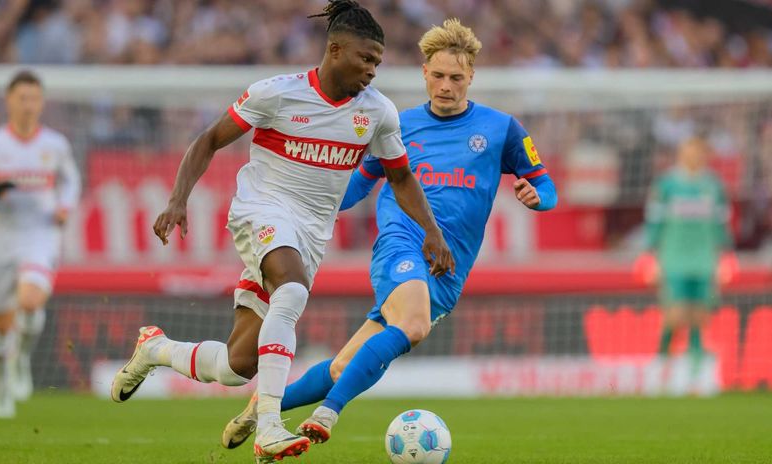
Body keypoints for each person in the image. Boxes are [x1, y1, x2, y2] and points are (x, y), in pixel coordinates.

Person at [109, 1, 453, 462]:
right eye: (366, 58)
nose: (373, 70)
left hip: (310, 234)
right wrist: (177, 199)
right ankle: (269, 427)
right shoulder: (277, 93)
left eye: (378, 62)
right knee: (291, 291)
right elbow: (209, 140)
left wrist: (431, 231)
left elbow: (401, 176)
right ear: (335, 50)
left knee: (236, 366)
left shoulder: (377, 112)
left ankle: (155, 349)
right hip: (262, 211)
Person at [221, 18, 558, 447]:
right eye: (438, 76)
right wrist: (303, 203)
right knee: (413, 325)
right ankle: (327, 414)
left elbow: (545, 184)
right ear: (424, 73)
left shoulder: (501, 129)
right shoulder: (397, 123)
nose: (446, 86)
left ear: (471, 76)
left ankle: (263, 407)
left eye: (456, 78)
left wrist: (537, 197)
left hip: (449, 267)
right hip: (402, 241)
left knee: (343, 367)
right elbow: (357, 184)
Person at [0, 70, 81, 419]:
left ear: (41, 103)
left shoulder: (55, 145)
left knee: (29, 300)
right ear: (9, 101)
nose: (29, 105)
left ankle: (22, 357)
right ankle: (2, 383)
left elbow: (71, 180)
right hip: (1, 237)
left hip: (40, 233)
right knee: (0, 324)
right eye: (23, 98)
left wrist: (64, 206)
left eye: (35, 99)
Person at [635, 136, 737, 367]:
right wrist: (649, 254)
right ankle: (664, 350)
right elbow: (654, 221)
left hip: (704, 258)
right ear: (681, 154)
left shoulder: (714, 186)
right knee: (676, 310)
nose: (695, 156)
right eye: (690, 151)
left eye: (700, 152)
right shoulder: (666, 185)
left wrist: (726, 254)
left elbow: (721, 224)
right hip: (674, 257)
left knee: (701, 309)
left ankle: (695, 354)